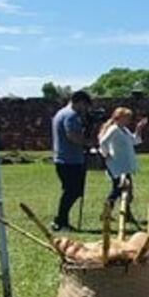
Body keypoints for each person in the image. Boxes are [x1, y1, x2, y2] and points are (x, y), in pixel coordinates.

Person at [50, 90, 92, 231]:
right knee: (73, 191)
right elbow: (72, 135)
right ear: (79, 102)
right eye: (85, 106)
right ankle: (60, 220)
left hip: (64, 158)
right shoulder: (71, 115)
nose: (85, 109)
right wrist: (87, 142)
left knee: (70, 191)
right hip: (70, 159)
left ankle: (63, 220)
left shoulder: (60, 113)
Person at [98, 107, 147, 220]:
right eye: (127, 118)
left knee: (126, 190)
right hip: (116, 165)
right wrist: (106, 154)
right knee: (119, 189)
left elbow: (135, 141)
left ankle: (125, 213)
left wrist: (139, 129)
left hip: (125, 165)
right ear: (119, 118)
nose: (129, 120)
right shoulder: (114, 129)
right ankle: (108, 212)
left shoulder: (124, 129)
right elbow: (103, 142)